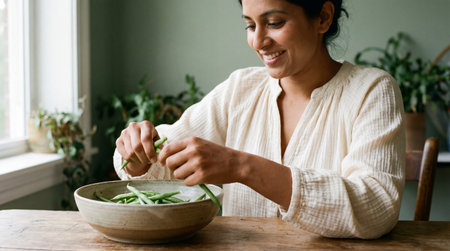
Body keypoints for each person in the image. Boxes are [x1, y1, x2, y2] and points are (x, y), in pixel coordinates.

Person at [114, 0, 405, 239]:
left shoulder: (372, 91)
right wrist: (138, 154)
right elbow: (162, 164)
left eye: (275, 23)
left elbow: (376, 206)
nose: (258, 41)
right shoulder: (240, 88)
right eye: (250, 25)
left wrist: (243, 167)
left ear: (323, 18)